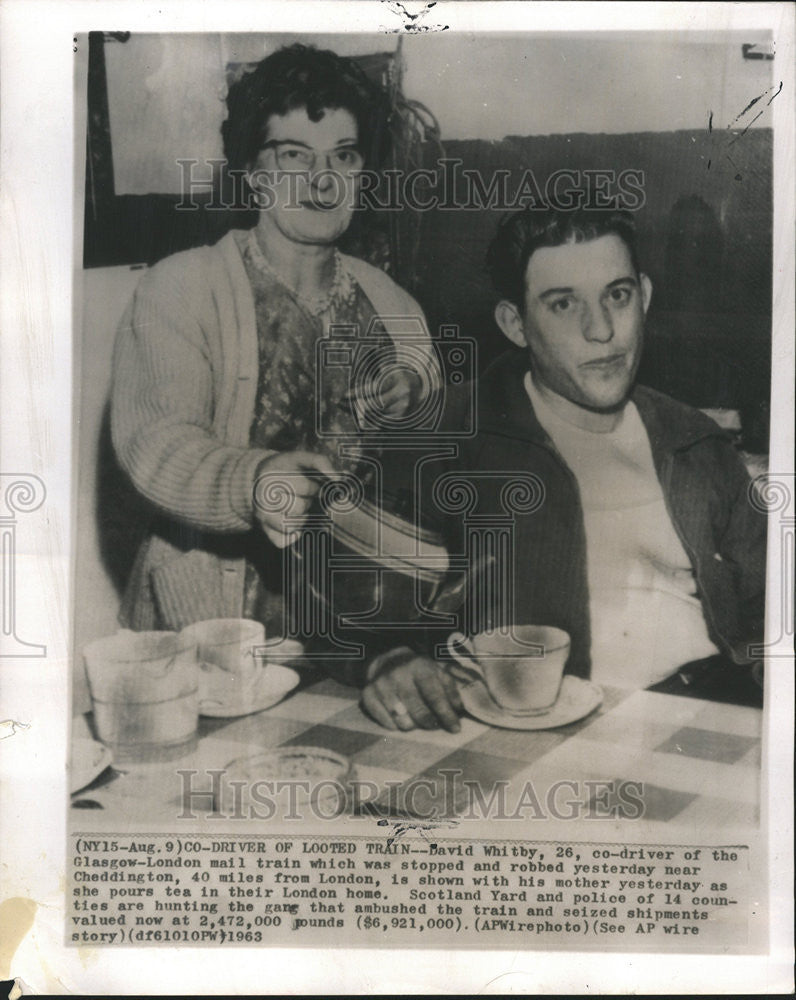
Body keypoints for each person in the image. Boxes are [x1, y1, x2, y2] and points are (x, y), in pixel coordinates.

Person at [362, 206, 766, 732]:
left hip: (707, 718)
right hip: (527, 732)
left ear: (643, 296)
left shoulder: (696, 441)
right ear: (515, 324)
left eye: (617, 295)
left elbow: (771, 611)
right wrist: (386, 660)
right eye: (562, 304)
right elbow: (345, 604)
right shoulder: (443, 436)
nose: (602, 331)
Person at [111, 44, 435, 634]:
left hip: (355, 631)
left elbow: (435, 459)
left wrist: (414, 396)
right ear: (253, 172)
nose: (322, 181)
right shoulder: (181, 286)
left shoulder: (393, 302)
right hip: (211, 618)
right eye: (294, 155)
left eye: (344, 156)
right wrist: (255, 482)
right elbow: (155, 444)